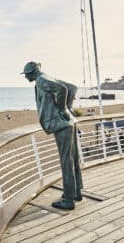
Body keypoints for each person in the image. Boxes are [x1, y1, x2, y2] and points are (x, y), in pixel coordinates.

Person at [22, 61, 83, 210]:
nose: (26, 78)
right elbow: (72, 88)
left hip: (61, 125)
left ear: (32, 72)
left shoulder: (41, 80)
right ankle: (76, 191)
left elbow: (63, 89)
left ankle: (69, 200)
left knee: (66, 161)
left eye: (27, 75)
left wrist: (62, 110)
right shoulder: (46, 77)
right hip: (69, 122)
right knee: (73, 158)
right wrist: (68, 108)